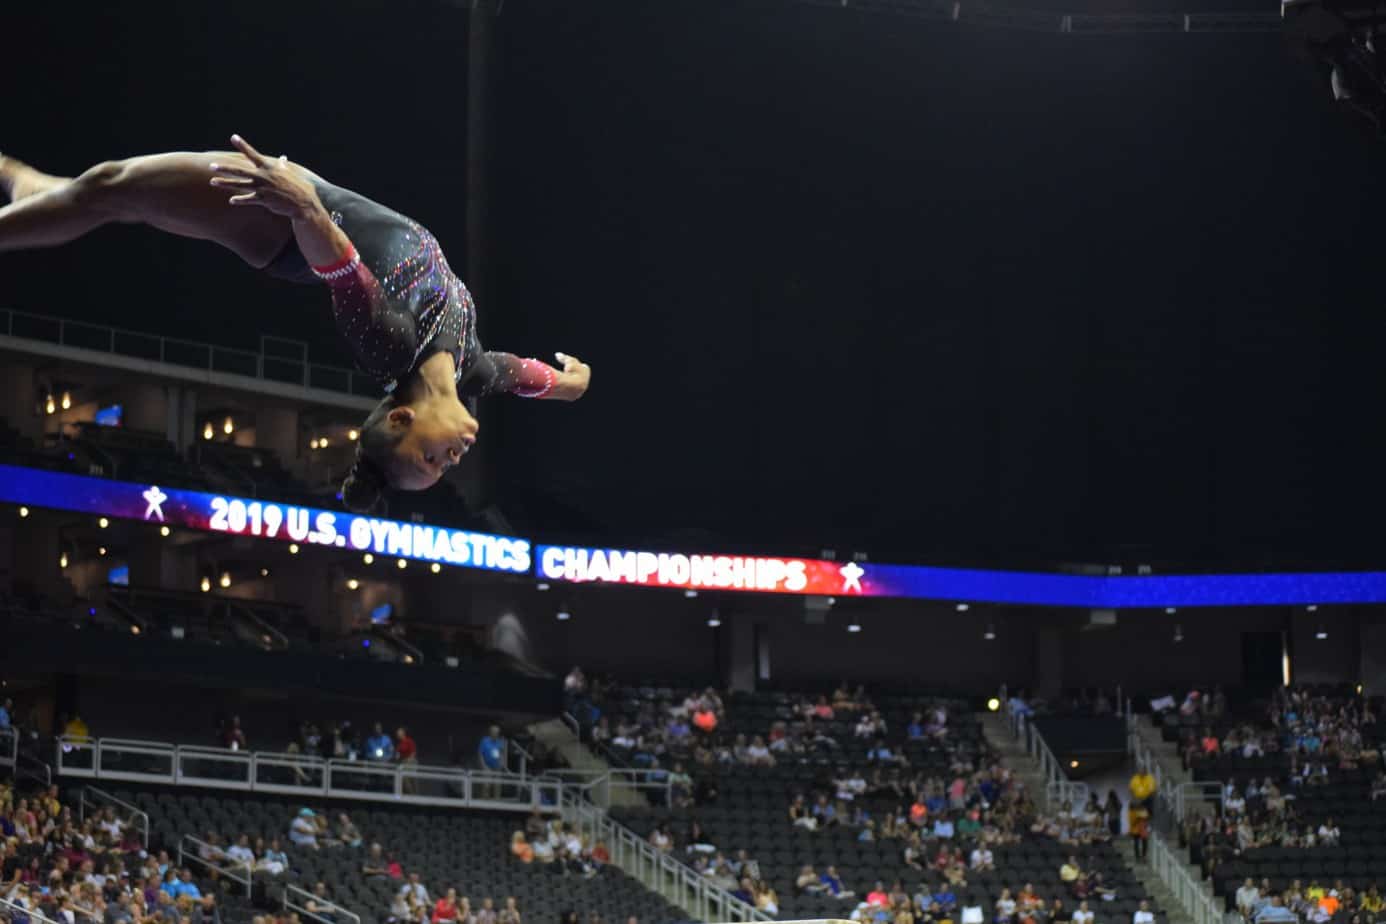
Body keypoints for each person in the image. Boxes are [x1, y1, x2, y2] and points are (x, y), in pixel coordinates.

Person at [0, 136, 592, 511]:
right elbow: (525, 376)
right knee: (104, 196)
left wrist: (301, 204)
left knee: (110, 187)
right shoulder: (473, 371)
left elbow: (344, 270)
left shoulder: (389, 347)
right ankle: (25, 183)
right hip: (301, 204)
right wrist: (568, 385)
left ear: (402, 418)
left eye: (430, 459)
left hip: (283, 221)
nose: (451, 460)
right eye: (441, 467)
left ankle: (24, 200)